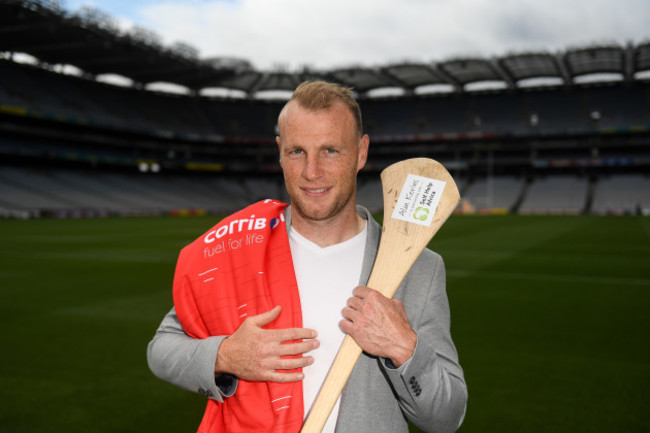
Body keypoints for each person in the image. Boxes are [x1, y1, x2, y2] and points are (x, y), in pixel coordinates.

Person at [147, 80, 467, 433]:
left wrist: (404, 349)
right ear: (280, 152)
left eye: (330, 150)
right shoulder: (242, 247)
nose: (312, 171)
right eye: (297, 151)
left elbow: (446, 417)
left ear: (361, 152)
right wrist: (226, 355)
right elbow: (162, 348)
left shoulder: (420, 268)